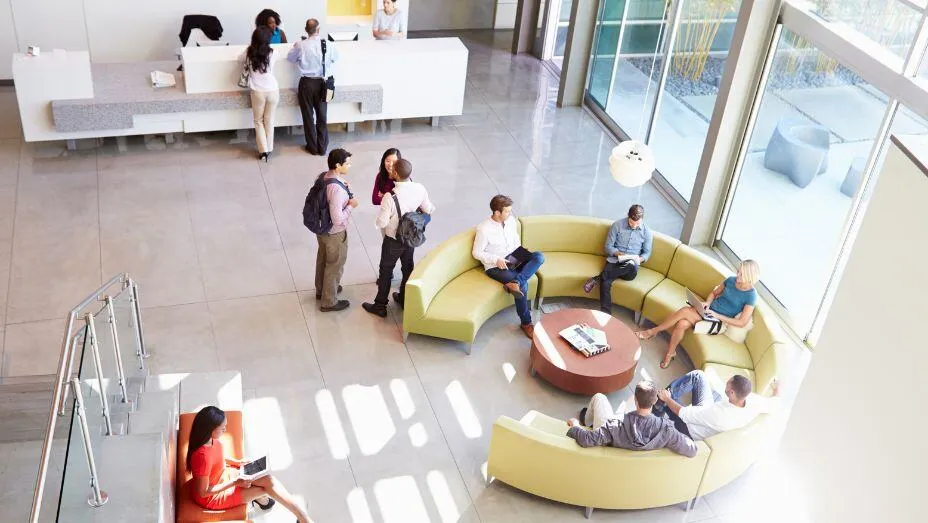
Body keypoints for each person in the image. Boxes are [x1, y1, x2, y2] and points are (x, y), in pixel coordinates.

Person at [186, 406, 313, 523]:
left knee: (269, 480)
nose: (225, 429)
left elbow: (216, 457)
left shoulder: (211, 440)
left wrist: (237, 462)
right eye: (222, 427)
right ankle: (300, 517)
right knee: (265, 489)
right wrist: (235, 482)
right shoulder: (202, 457)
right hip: (213, 497)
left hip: (225, 476)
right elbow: (203, 492)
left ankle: (302, 518)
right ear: (210, 429)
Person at [636, 260, 761, 369]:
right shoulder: (731, 280)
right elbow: (714, 293)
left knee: (685, 311)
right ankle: (670, 353)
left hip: (719, 323)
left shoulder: (751, 296)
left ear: (750, 276)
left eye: (741, 274)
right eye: (738, 271)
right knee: (682, 324)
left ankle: (652, 331)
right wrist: (707, 303)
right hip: (708, 312)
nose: (737, 275)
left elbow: (741, 322)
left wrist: (717, 316)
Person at [362, 159, 435, 318]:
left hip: (393, 240)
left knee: (386, 270)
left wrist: (378, 221)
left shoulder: (390, 196)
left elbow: (382, 222)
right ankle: (404, 298)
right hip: (411, 237)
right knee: (408, 267)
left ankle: (380, 305)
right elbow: (429, 209)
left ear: (395, 173)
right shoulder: (420, 188)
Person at [472, 195, 545, 339]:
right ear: (497, 212)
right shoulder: (483, 229)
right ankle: (526, 323)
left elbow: (515, 240)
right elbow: (476, 252)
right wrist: (495, 259)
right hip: (496, 266)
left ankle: (515, 282)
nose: (510, 213)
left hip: (514, 256)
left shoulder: (510, 221)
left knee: (539, 256)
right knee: (523, 287)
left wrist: (521, 252)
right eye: (507, 211)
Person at [565, 381, 697, 457]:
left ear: (635, 400)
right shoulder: (667, 430)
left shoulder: (614, 426)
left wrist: (576, 426)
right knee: (623, 406)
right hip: (629, 440)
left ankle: (587, 422)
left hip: (614, 438)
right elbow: (692, 450)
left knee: (599, 397)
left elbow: (586, 439)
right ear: (655, 400)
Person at [653, 371, 780, 441]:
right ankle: (660, 399)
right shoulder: (754, 401)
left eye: (728, 383)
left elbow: (684, 414)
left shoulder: (719, 414)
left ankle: (654, 409)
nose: (726, 382)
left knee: (668, 399)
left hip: (689, 428)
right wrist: (777, 388)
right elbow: (775, 403)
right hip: (707, 411)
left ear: (732, 392)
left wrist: (667, 398)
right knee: (698, 376)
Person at [583, 204, 652, 314]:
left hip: (630, 269)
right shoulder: (617, 225)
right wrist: (617, 253)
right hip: (614, 261)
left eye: (637, 223)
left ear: (642, 219)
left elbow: (647, 253)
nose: (634, 226)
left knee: (631, 264)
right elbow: (608, 246)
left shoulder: (647, 232)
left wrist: (640, 259)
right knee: (605, 283)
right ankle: (606, 314)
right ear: (628, 216)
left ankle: (597, 278)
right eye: (631, 223)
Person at [288, 19, 338, 156]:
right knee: (322, 116)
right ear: (319, 29)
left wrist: (296, 47)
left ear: (306, 30)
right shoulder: (328, 44)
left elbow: (290, 58)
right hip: (323, 84)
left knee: (308, 116)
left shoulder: (300, 45)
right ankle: (322, 147)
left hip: (306, 83)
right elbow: (336, 58)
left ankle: (312, 147)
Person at [316, 148, 357, 312]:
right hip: (335, 233)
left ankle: (322, 290)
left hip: (321, 228)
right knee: (335, 265)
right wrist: (351, 206)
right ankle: (329, 301)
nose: (349, 166)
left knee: (323, 259)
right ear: (338, 165)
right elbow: (338, 219)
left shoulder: (323, 177)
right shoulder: (337, 189)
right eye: (347, 163)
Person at [245, 27, 280, 162]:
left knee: (258, 121)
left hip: (258, 92)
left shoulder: (249, 52)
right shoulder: (273, 53)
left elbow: (238, 59)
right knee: (269, 120)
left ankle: (263, 151)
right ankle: (269, 148)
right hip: (273, 90)